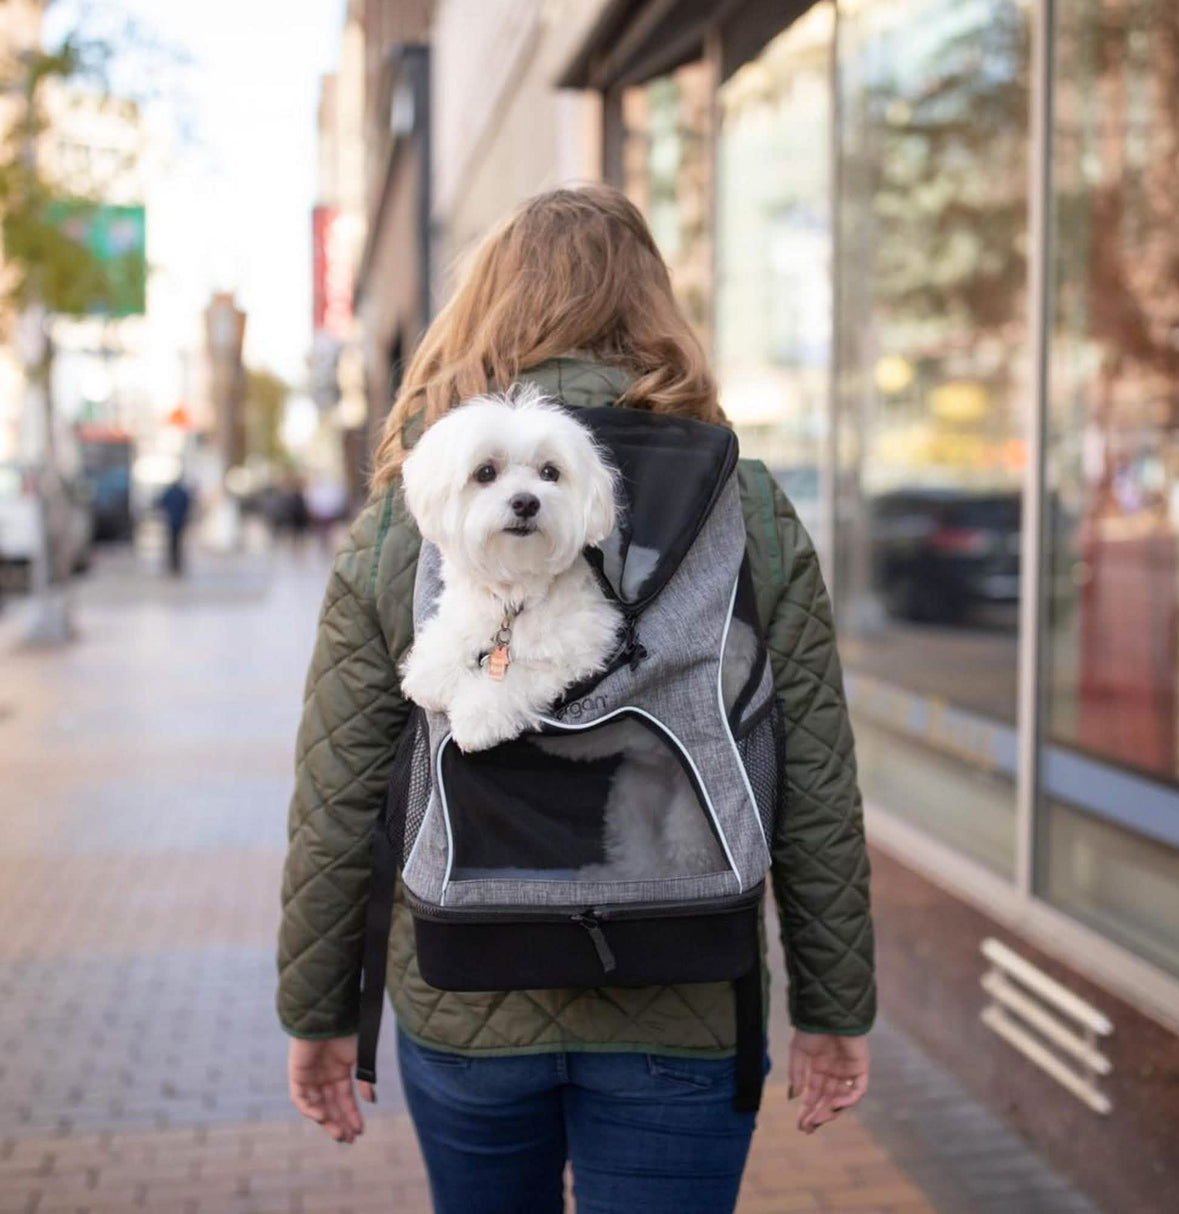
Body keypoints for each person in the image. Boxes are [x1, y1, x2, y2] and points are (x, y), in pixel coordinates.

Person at [276, 185, 876, 1214]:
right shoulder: (750, 505)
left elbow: (339, 789)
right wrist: (833, 1005)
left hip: (464, 992)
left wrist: (318, 1008)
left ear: (485, 312)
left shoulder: (408, 515)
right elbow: (813, 781)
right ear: (656, 310)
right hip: (683, 995)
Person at [157, 476, 192, 577]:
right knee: (178, 543)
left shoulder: (170, 492)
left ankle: (172, 563)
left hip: (171, 520)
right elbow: (188, 504)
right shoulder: (182, 493)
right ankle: (176, 563)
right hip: (180, 520)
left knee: (172, 543)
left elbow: (161, 503)